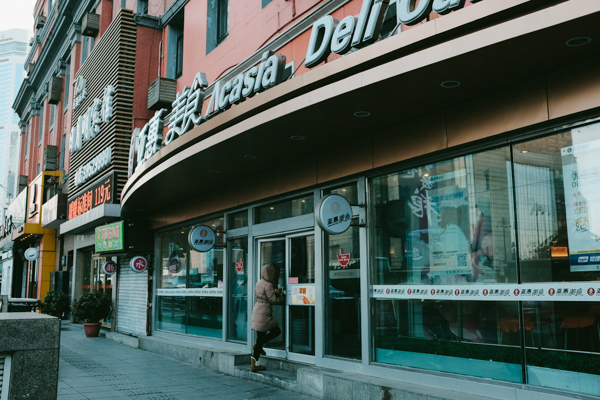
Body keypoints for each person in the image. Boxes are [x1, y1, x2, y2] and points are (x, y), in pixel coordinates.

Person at [250, 264, 285, 372]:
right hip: (264, 312)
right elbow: (273, 300)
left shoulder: (259, 282)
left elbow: (260, 296)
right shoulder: (268, 285)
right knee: (276, 331)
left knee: (260, 338)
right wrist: (282, 297)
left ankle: (255, 363)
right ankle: (256, 356)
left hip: (258, 310)